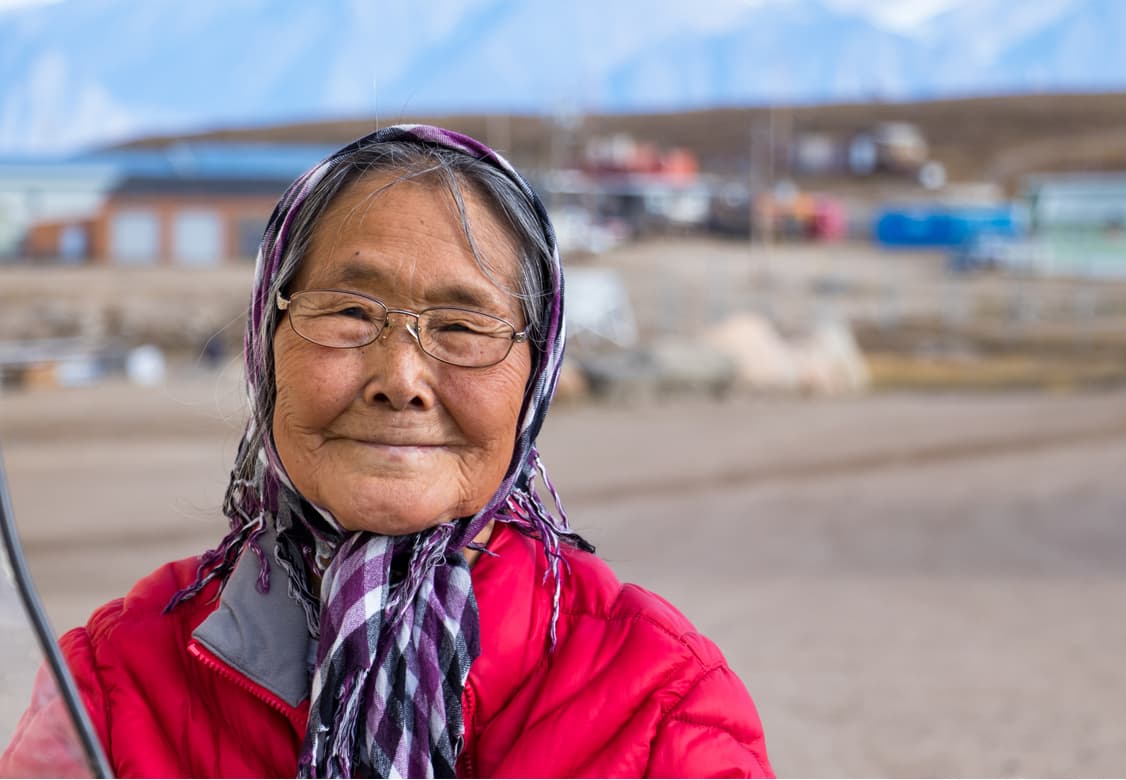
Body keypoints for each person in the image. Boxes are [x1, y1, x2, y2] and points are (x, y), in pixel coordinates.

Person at [1, 125, 772, 778]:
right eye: (348, 312)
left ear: (534, 374)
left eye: (462, 327)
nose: (400, 380)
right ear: (265, 349)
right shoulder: (112, 686)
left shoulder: (660, 704)